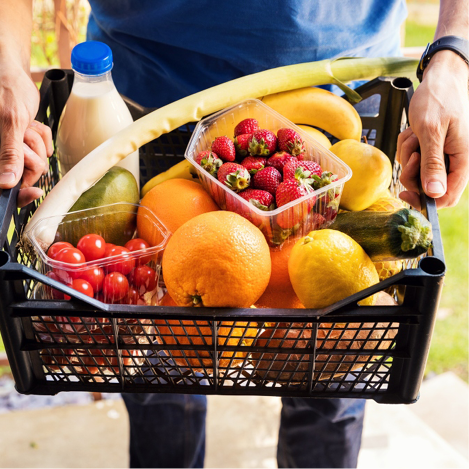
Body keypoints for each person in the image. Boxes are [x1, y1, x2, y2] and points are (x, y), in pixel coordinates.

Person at [0, 1, 467, 467]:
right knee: (158, 369)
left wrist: (453, 53)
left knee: (329, 376)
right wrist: (6, 62)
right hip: (142, 103)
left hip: (344, 94)